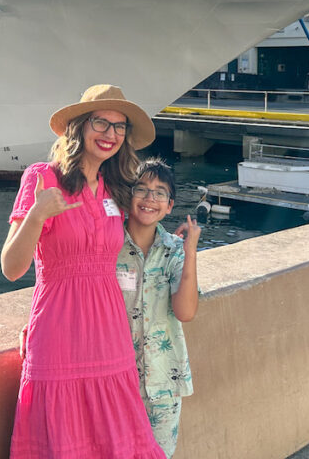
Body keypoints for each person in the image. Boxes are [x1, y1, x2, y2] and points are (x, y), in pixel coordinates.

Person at [1, 84, 165, 459]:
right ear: (78, 127)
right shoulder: (42, 178)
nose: (110, 134)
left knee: (114, 436)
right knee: (62, 435)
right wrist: (37, 215)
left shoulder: (117, 188)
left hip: (109, 332)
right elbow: (12, 268)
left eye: (119, 127)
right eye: (101, 123)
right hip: (58, 330)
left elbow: (143, 241)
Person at [116, 158, 200, 456]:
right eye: (142, 189)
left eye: (160, 193)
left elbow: (186, 312)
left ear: (169, 205)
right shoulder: (107, 246)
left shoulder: (175, 251)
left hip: (164, 382)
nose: (150, 198)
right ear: (128, 196)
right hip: (115, 382)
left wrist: (190, 253)